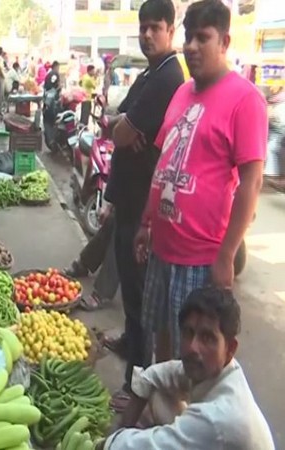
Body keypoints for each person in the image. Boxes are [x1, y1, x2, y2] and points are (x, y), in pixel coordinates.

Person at [135, 0, 267, 364]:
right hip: (162, 250)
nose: (191, 46)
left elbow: (251, 183)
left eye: (203, 38)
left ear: (224, 41)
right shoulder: (182, 93)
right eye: (189, 37)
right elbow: (163, 164)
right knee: (160, 338)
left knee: (193, 357)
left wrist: (226, 255)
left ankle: (184, 418)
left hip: (200, 260)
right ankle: (159, 411)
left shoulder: (245, 100)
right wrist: (146, 222)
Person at [103, 0, 185, 412]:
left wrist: (125, 130)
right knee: (130, 292)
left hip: (142, 205)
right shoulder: (151, 74)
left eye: (156, 27)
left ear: (172, 30)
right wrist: (123, 127)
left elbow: (120, 132)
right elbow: (117, 120)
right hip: (131, 198)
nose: (148, 34)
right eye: (143, 27)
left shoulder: (168, 77)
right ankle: (130, 347)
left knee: (137, 297)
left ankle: (136, 381)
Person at [96, 287, 275, 450]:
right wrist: (124, 427)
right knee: (157, 390)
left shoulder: (218, 418)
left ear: (230, 349)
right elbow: (154, 375)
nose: (192, 347)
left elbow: (148, 447)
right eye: (188, 333)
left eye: (207, 338)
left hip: (212, 431)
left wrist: (106, 443)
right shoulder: (214, 370)